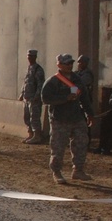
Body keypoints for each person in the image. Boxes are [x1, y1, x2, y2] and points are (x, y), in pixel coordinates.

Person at [41, 53, 94, 184]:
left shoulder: (77, 79)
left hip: (77, 117)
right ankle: (57, 172)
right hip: (60, 119)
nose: (69, 66)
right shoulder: (53, 81)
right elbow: (46, 99)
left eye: (71, 63)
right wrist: (65, 98)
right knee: (58, 147)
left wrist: (89, 113)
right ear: (59, 65)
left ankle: (78, 170)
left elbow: (84, 97)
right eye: (66, 63)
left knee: (81, 143)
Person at [19, 49, 45, 144]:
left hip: (34, 99)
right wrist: (22, 94)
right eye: (28, 56)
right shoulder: (28, 68)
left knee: (34, 118)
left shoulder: (38, 70)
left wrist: (36, 97)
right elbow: (26, 82)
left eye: (32, 56)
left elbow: (40, 85)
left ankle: (37, 135)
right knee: (26, 117)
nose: (29, 58)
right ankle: (30, 134)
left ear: (35, 57)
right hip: (27, 98)